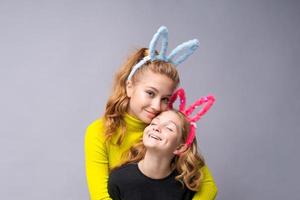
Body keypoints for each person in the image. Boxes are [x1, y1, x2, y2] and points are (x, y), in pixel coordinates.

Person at [85, 26, 218, 200]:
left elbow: (208, 187)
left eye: (165, 99)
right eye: (150, 93)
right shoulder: (98, 132)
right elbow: (101, 197)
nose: (157, 106)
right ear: (130, 87)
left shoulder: (165, 131)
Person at [108, 89, 215, 200]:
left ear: (180, 147)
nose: (157, 128)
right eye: (154, 123)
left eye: (169, 128)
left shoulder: (187, 186)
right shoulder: (119, 179)